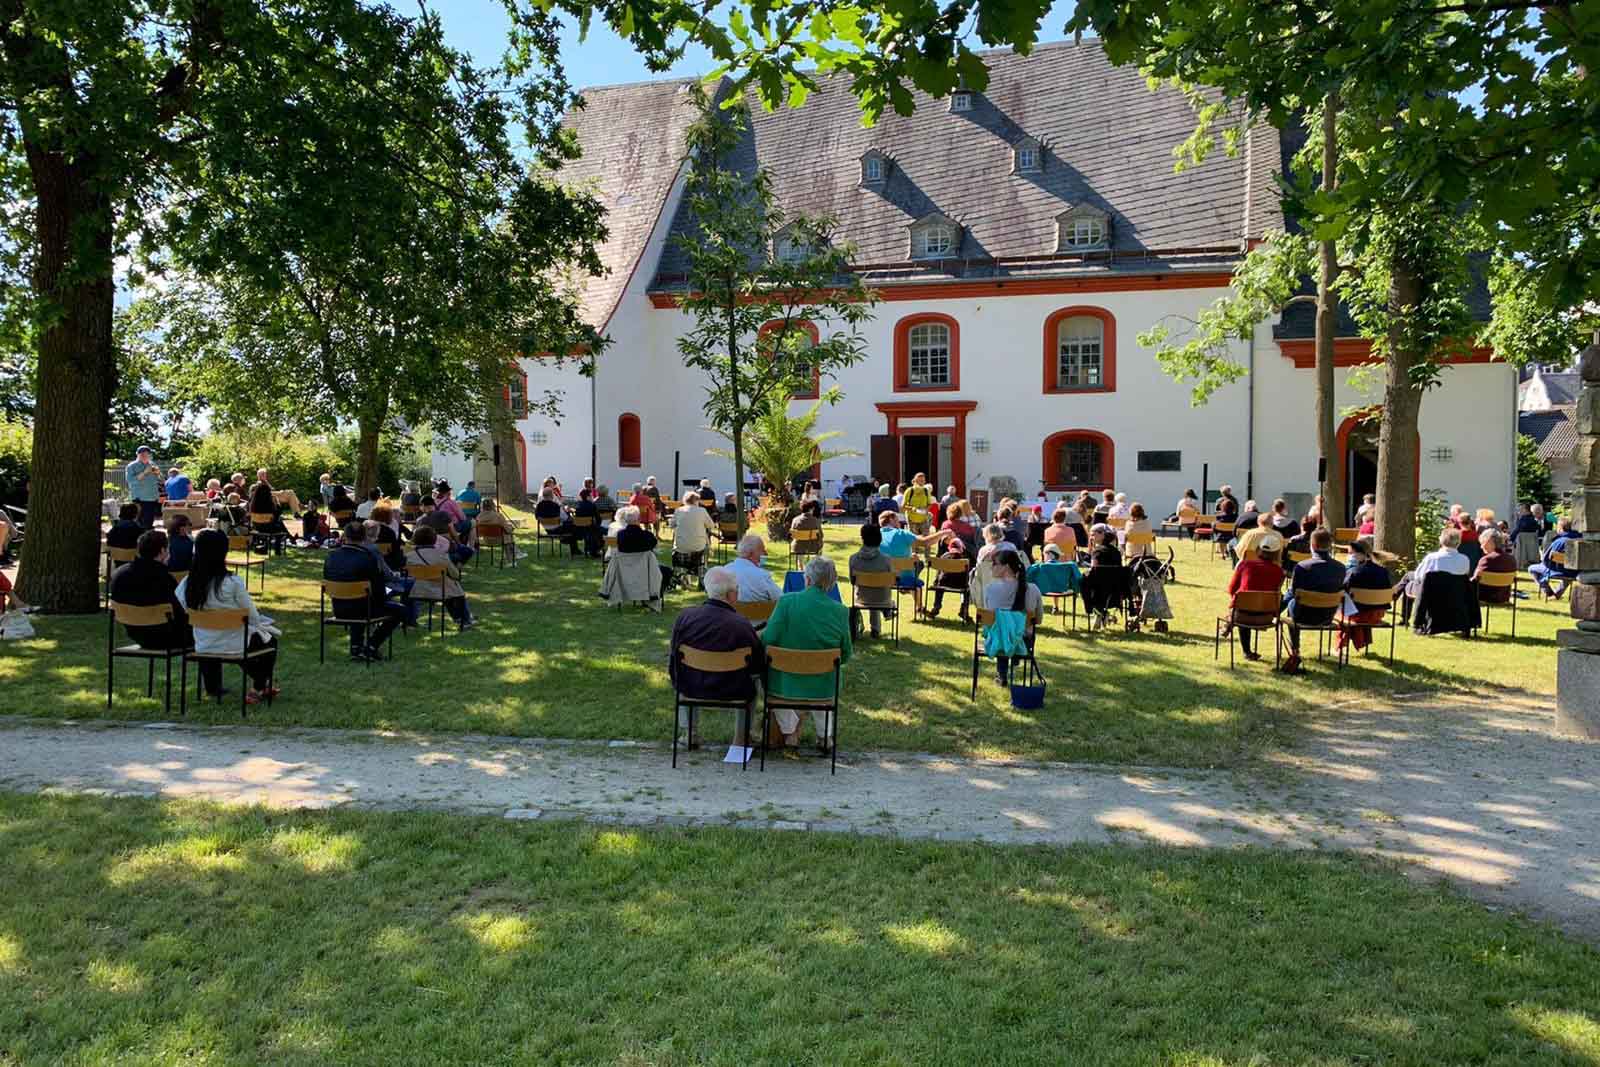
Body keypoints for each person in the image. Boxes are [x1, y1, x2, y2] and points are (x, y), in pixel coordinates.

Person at [668, 566, 764, 750]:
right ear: (731, 595)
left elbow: (674, 655)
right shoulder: (741, 625)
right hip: (734, 688)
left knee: (680, 670)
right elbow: (757, 666)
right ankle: (740, 737)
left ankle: (689, 733)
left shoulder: (685, 618)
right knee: (754, 681)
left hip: (692, 685)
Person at [762, 556, 852, 752]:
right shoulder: (840, 611)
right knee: (825, 680)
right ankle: (824, 736)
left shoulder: (786, 602)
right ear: (831, 583)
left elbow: (768, 639)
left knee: (769, 680)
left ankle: (789, 730)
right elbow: (845, 654)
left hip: (785, 683)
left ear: (808, 580)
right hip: (823, 684)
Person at [178, 529, 280, 702]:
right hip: (234, 641)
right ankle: (259, 686)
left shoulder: (188, 583)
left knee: (239, 638)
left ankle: (213, 687)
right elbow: (252, 616)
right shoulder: (232, 583)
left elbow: (181, 607)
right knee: (269, 640)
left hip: (204, 642)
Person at [324, 521, 408, 661]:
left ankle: (356, 647)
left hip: (339, 607)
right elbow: (378, 590)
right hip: (364, 608)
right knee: (400, 610)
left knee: (359, 601)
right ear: (364, 538)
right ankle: (371, 646)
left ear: (344, 536)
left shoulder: (331, 557)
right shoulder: (368, 558)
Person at [109, 529, 191, 654]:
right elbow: (179, 613)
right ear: (163, 551)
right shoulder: (163, 578)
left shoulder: (118, 574)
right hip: (169, 637)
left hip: (136, 633)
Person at [1280, 528, 1344, 674]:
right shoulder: (1340, 568)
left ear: (1312, 545)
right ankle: (1295, 649)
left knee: (1291, 602)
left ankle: (1295, 649)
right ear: (1330, 545)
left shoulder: (1302, 567)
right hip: (1327, 616)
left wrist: (1277, 609)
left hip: (1303, 616)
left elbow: (1293, 592)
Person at [983, 548, 1044, 685]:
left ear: (1006, 567)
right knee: (1010, 631)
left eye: (994, 563)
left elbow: (988, 620)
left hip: (998, 643)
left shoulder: (990, 589)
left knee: (1002, 631)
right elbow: (1038, 620)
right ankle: (1013, 660)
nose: (992, 567)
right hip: (1024, 641)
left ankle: (1002, 673)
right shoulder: (1033, 589)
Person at [879, 510, 950, 615]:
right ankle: (918, 605)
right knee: (918, 565)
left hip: (881, 577)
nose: (900, 523)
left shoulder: (875, 535)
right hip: (902, 578)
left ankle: (909, 592)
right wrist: (943, 532)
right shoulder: (902, 533)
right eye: (898, 520)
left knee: (913, 561)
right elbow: (926, 542)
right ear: (891, 519)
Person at [1225, 535, 1284, 660]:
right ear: (1277, 554)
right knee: (1246, 605)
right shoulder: (1279, 572)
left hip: (1241, 616)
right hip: (1266, 618)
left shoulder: (1245, 565)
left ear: (1258, 550)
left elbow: (1231, 589)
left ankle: (1246, 650)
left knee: (1242, 607)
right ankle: (1230, 621)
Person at [407, 526, 475, 630]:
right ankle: (464, 620)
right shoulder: (442, 555)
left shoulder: (409, 556)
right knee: (455, 588)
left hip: (417, 590)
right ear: (434, 539)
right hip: (440, 590)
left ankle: (410, 621)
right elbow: (455, 575)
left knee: (449, 586)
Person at [1340, 537, 1395, 653]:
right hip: (1378, 614)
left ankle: (1340, 646)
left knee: (1342, 610)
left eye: (1351, 553)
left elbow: (1342, 589)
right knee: (1359, 608)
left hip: (1359, 615)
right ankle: (1362, 642)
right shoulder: (1383, 571)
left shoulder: (1354, 572)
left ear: (1360, 554)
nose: (1350, 556)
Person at [848, 523, 896, 638]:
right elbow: (892, 581)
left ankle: (876, 628)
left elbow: (851, 580)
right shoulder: (886, 560)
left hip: (862, 598)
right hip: (883, 599)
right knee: (878, 593)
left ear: (862, 538)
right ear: (879, 538)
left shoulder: (853, 559)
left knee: (870, 592)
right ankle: (879, 624)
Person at [1406, 527, 1472, 600]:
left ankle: (1396, 599)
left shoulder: (1432, 557)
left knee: (1409, 578)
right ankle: (1393, 594)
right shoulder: (1465, 559)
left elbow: (1419, 576)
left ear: (1441, 541)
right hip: (1455, 593)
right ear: (1458, 543)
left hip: (1432, 592)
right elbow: (1465, 576)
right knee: (1409, 576)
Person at [1529, 517, 1580, 597]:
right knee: (1567, 572)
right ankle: (1557, 593)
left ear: (1561, 528)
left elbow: (1546, 560)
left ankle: (1547, 591)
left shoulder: (1559, 541)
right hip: (1574, 571)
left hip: (1556, 570)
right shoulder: (1581, 540)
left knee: (1531, 568)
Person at [728, 534, 782, 605]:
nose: (766, 554)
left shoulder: (725, 570)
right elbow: (781, 598)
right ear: (750, 554)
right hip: (760, 615)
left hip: (730, 614)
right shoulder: (762, 576)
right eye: (762, 550)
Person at [672, 491, 718, 573]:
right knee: (706, 545)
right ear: (697, 501)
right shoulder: (702, 511)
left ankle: (683, 576)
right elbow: (711, 525)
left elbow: (672, 525)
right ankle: (701, 573)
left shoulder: (678, 510)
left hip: (681, 545)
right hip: (698, 546)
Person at [1473, 528, 1516, 605]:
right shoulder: (1511, 559)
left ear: (1490, 542)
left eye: (1482, 543)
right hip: (1503, 598)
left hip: (1484, 597)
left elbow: (1475, 580)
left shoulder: (1486, 559)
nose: (1481, 547)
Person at [125, 445, 163, 527]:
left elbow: (161, 480)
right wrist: (145, 473)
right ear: (137, 455)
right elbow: (130, 481)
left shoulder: (153, 464)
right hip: (140, 499)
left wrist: (158, 474)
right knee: (140, 523)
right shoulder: (131, 466)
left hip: (153, 498)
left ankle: (147, 538)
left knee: (149, 523)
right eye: (142, 454)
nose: (145, 456)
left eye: (147, 454)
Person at [571, 489, 603, 557]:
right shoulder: (592, 505)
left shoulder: (577, 505)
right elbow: (598, 519)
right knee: (599, 530)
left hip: (578, 530)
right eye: (591, 495)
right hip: (590, 530)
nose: (592, 497)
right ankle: (595, 550)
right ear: (588, 496)